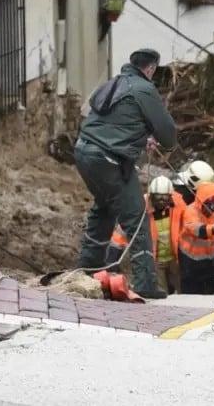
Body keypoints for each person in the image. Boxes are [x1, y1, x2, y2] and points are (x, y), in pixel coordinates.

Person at [74, 48, 176, 300]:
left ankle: (88, 269)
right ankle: (146, 283)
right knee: (136, 216)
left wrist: (142, 137)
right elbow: (169, 135)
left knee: (106, 208)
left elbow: (112, 123)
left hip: (84, 153)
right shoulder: (144, 89)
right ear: (151, 68)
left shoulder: (113, 84)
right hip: (109, 160)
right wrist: (154, 135)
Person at [108, 176, 192, 294]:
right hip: (155, 260)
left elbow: (189, 223)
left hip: (174, 258)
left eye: (165, 198)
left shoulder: (178, 203)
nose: (161, 201)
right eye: (158, 198)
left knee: (182, 291)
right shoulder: (140, 207)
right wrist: (113, 254)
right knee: (162, 292)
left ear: (170, 196)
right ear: (151, 196)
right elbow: (123, 230)